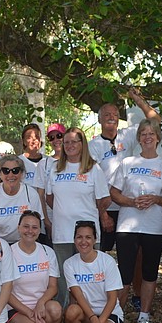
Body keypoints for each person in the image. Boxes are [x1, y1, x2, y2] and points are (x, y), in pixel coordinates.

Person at [109, 118, 162, 323]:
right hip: (127, 226)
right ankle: (117, 315)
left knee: (150, 272)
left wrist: (155, 199)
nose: (148, 137)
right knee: (124, 272)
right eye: (144, 133)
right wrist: (132, 202)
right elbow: (114, 193)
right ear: (139, 139)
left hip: (155, 227)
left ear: (158, 138)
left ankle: (144, 314)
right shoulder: (128, 163)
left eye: (151, 133)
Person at [88, 88, 162, 252]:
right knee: (101, 251)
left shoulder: (127, 135)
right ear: (99, 119)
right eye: (106, 114)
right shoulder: (93, 145)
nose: (111, 117)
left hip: (129, 206)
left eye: (114, 114)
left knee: (133, 256)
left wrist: (138, 100)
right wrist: (103, 214)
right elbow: (93, 180)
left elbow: (156, 121)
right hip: (106, 206)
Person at [45, 127, 111, 306]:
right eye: (66, 142)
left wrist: (89, 212)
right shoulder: (55, 168)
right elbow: (50, 198)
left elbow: (104, 199)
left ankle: (88, 316)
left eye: (74, 141)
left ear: (83, 144)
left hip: (87, 234)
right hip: (62, 233)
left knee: (87, 277)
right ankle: (64, 315)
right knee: (63, 278)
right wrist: (64, 211)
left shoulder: (93, 168)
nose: (70, 145)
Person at [63, 221, 124, 323]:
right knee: (72, 311)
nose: (83, 241)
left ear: (95, 239)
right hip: (87, 314)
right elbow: (78, 295)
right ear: (74, 240)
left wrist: (100, 321)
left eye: (88, 237)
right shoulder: (69, 264)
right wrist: (93, 319)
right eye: (79, 237)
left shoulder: (107, 261)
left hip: (109, 314)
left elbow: (113, 298)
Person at [6, 211, 62, 323]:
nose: (30, 231)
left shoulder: (47, 251)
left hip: (40, 306)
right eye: (26, 226)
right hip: (16, 308)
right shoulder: (8, 253)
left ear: (39, 230)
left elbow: (53, 287)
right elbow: (5, 292)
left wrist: (41, 303)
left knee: (56, 309)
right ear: (18, 228)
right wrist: (29, 313)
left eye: (35, 227)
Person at [0, 154, 44, 244]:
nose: (11, 175)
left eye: (15, 171)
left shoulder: (31, 194)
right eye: (6, 171)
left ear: (21, 173)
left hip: (24, 243)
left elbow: (37, 225)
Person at [33, 122, 65, 238]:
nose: (56, 140)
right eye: (52, 137)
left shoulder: (76, 161)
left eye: (59, 136)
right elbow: (40, 194)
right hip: (52, 218)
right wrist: (46, 220)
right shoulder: (44, 164)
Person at [18, 123, 45, 188]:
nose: (34, 140)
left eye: (37, 137)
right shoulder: (17, 162)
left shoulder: (48, 161)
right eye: (29, 137)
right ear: (24, 141)